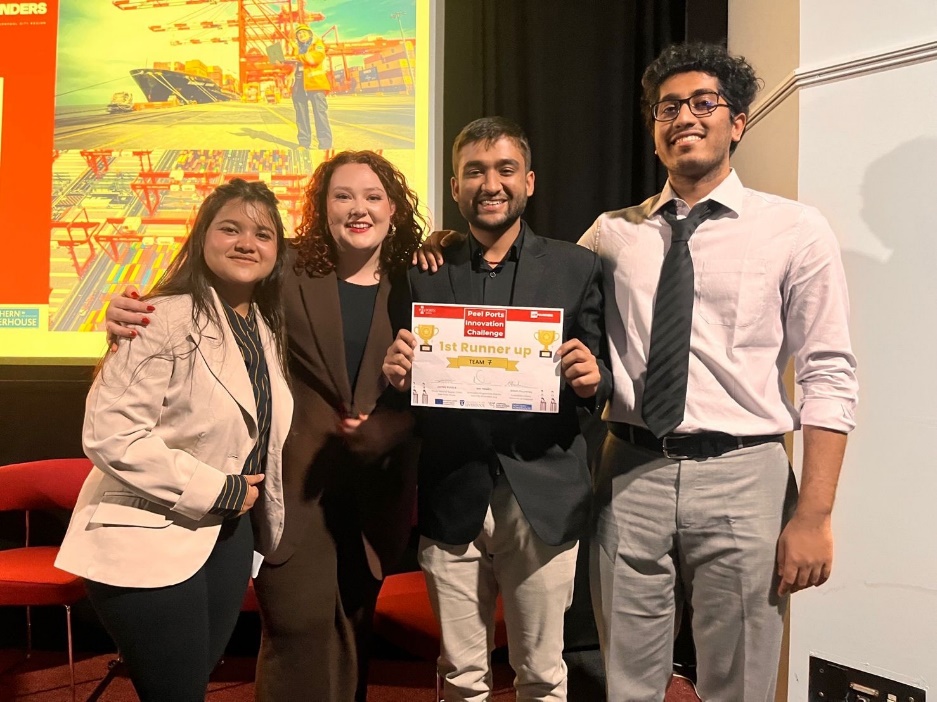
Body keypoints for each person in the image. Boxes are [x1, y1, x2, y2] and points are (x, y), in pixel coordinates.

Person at [580, 42, 858, 701]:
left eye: (703, 103)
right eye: (667, 107)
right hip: (628, 471)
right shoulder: (610, 233)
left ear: (737, 122)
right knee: (626, 682)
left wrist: (814, 514)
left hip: (744, 475)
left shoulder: (795, 229)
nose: (684, 117)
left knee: (740, 683)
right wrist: (453, 253)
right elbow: (540, 301)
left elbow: (828, 373)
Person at [104, 151, 424, 702]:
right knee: (296, 630)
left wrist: (444, 242)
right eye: (343, 196)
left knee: (353, 634)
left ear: (393, 207)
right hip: (294, 485)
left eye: (373, 196)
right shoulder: (287, 267)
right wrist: (128, 312)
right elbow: (213, 286)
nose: (359, 208)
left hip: (376, 491)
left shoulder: (419, 278)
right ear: (322, 207)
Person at [382, 116, 611, 702]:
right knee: (460, 676)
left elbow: (603, 374)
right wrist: (399, 376)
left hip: (543, 497)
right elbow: (408, 387)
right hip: (451, 492)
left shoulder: (576, 267)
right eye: (474, 171)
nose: (491, 184)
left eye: (505, 169)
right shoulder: (423, 271)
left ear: (528, 181)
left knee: (542, 674)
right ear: (455, 187)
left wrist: (593, 380)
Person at [55, 179, 293, 702]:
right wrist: (220, 488)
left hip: (228, 537)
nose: (246, 243)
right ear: (202, 237)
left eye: (263, 234)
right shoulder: (159, 316)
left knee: (187, 687)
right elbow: (110, 434)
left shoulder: (266, 327)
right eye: (230, 229)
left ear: (278, 252)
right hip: (147, 534)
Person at [287, 23, 333, 151]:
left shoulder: (317, 45)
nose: (301, 35)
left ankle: (325, 145)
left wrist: (296, 55)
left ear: (310, 34)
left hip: (315, 84)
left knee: (320, 114)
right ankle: (303, 143)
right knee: (301, 115)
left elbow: (313, 60)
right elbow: (294, 64)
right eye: (299, 34)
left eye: (304, 32)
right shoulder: (297, 49)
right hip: (299, 84)